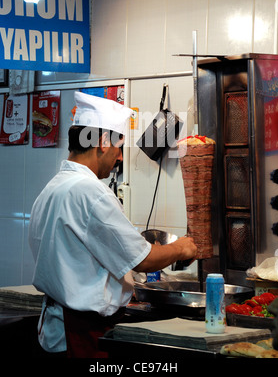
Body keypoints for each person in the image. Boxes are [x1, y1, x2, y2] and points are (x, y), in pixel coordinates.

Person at [29, 91, 197, 358]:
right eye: (119, 148)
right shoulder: (90, 192)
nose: (119, 158)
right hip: (84, 332)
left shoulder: (53, 187)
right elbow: (141, 259)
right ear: (103, 143)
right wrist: (184, 248)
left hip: (58, 327)